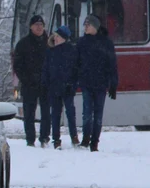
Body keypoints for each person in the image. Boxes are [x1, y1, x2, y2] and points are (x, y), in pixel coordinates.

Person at [75, 14, 118, 152]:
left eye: (88, 25)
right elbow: (76, 63)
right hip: (87, 82)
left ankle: (94, 142)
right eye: (85, 25)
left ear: (95, 26)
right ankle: (86, 139)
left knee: (98, 114)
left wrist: (113, 84)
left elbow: (112, 64)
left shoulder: (106, 42)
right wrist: (76, 79)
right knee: (87, 113)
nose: (85, 27)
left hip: (101, 83)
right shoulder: (81, 42)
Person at [12, 14, 50, 147]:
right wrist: (26, 79)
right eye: (36, 25)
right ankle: (30, 139)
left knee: (46, 112)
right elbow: (17, 65)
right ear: (30, 27)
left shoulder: (50, 42)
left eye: (41, 25)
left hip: (46, 84)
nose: (39, 27)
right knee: (29, 113)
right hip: (29, 84)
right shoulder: (23, 44)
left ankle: (45, 137)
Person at [41, 25, 78, 149]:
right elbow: (46, 70)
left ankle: (74, 136)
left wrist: (72, 85)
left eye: (58, 36)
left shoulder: (71, 51)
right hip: (54, 88)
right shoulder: (50, 52)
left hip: (67, 87)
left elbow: (75, 70)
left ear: (64, 38)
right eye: (55, 36)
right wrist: (46, 84)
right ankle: (56, 139)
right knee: (55, 115)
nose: (55, 39)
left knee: (70, 113)